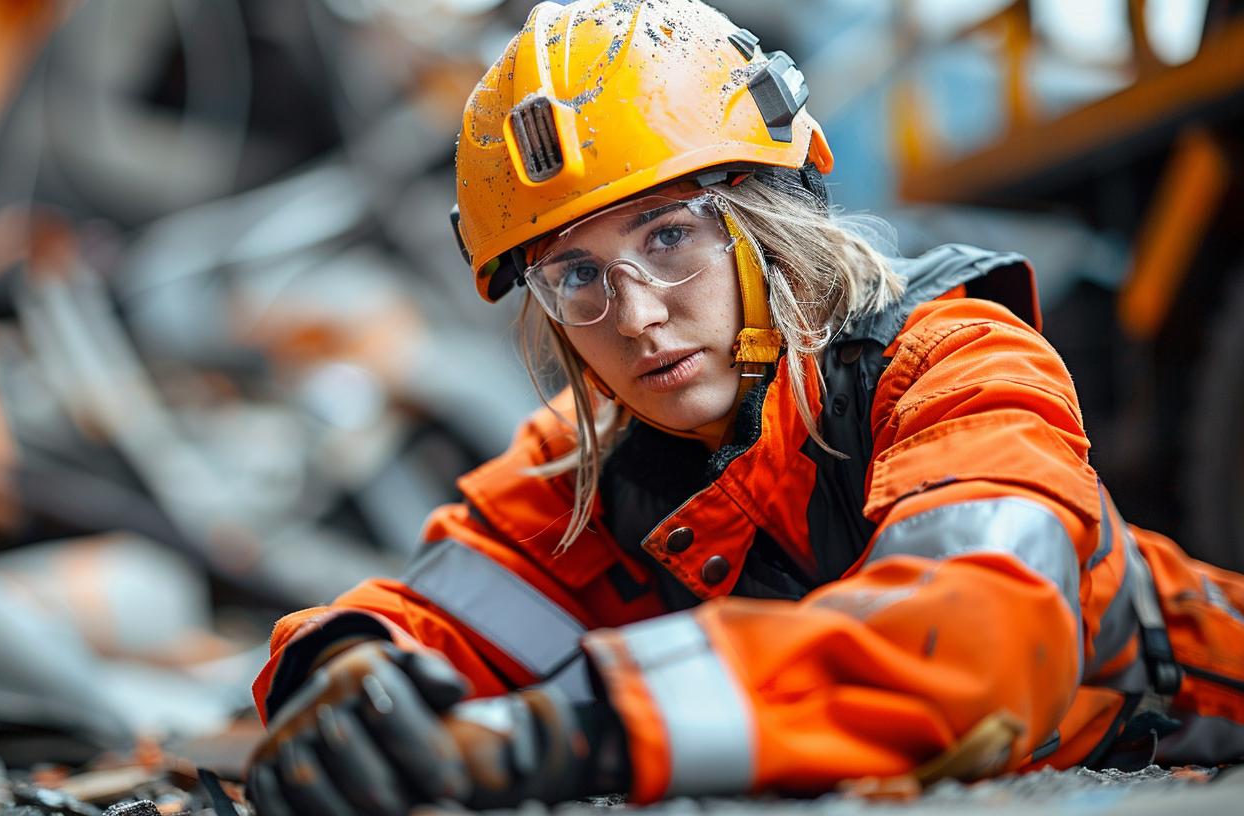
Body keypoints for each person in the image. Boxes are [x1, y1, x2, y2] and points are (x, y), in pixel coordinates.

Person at [244, 1, 1244, 812]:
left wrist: (584, 728)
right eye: (575, 276)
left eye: (671, 236)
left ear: (769, 221)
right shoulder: (596, 464)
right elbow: (435, 618)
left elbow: (974, 640)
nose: (632, 315)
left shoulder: (953, 363)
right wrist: (341, 672)